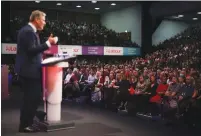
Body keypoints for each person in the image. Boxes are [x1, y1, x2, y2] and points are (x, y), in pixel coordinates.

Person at [15, 10, 58, 133]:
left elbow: (33, 51)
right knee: (30, 99)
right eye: (44, 20)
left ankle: (27, 122)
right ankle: (25, 125)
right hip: (29, 72)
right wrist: (48, 43)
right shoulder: (28, 32)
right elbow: (31, 50)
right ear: (37, 19)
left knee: (31, 99)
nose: (45, 23)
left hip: (30, 71)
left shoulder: (30, 31)